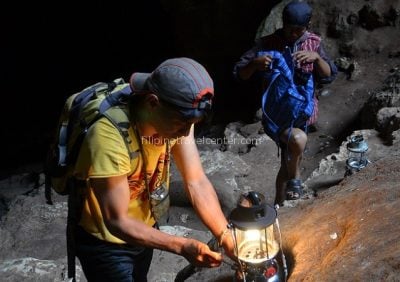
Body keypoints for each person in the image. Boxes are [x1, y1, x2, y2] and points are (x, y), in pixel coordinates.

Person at [73, 57, 234, 281]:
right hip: (106, 243)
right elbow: (117, 221)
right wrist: (181, 245)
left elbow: (196, 180)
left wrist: (226, 235)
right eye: (182, 123)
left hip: (145, 227)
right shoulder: (108, 136)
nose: (186, 132)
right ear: (152, 102)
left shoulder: (177, 120)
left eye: (192, 124)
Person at [233, 1, 337, 205]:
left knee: (288, 158)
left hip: (302, 113)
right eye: (290, 29)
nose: (293, 34)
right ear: (283, 23)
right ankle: (294, 181)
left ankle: (280, 202)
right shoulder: (267, 43)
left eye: (299, 30)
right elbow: (240, 74)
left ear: (307, 26)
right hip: (277, 115)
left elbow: (329, 75)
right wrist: (255, 64)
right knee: (296, 142)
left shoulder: (313, 44)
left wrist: (316, 59)